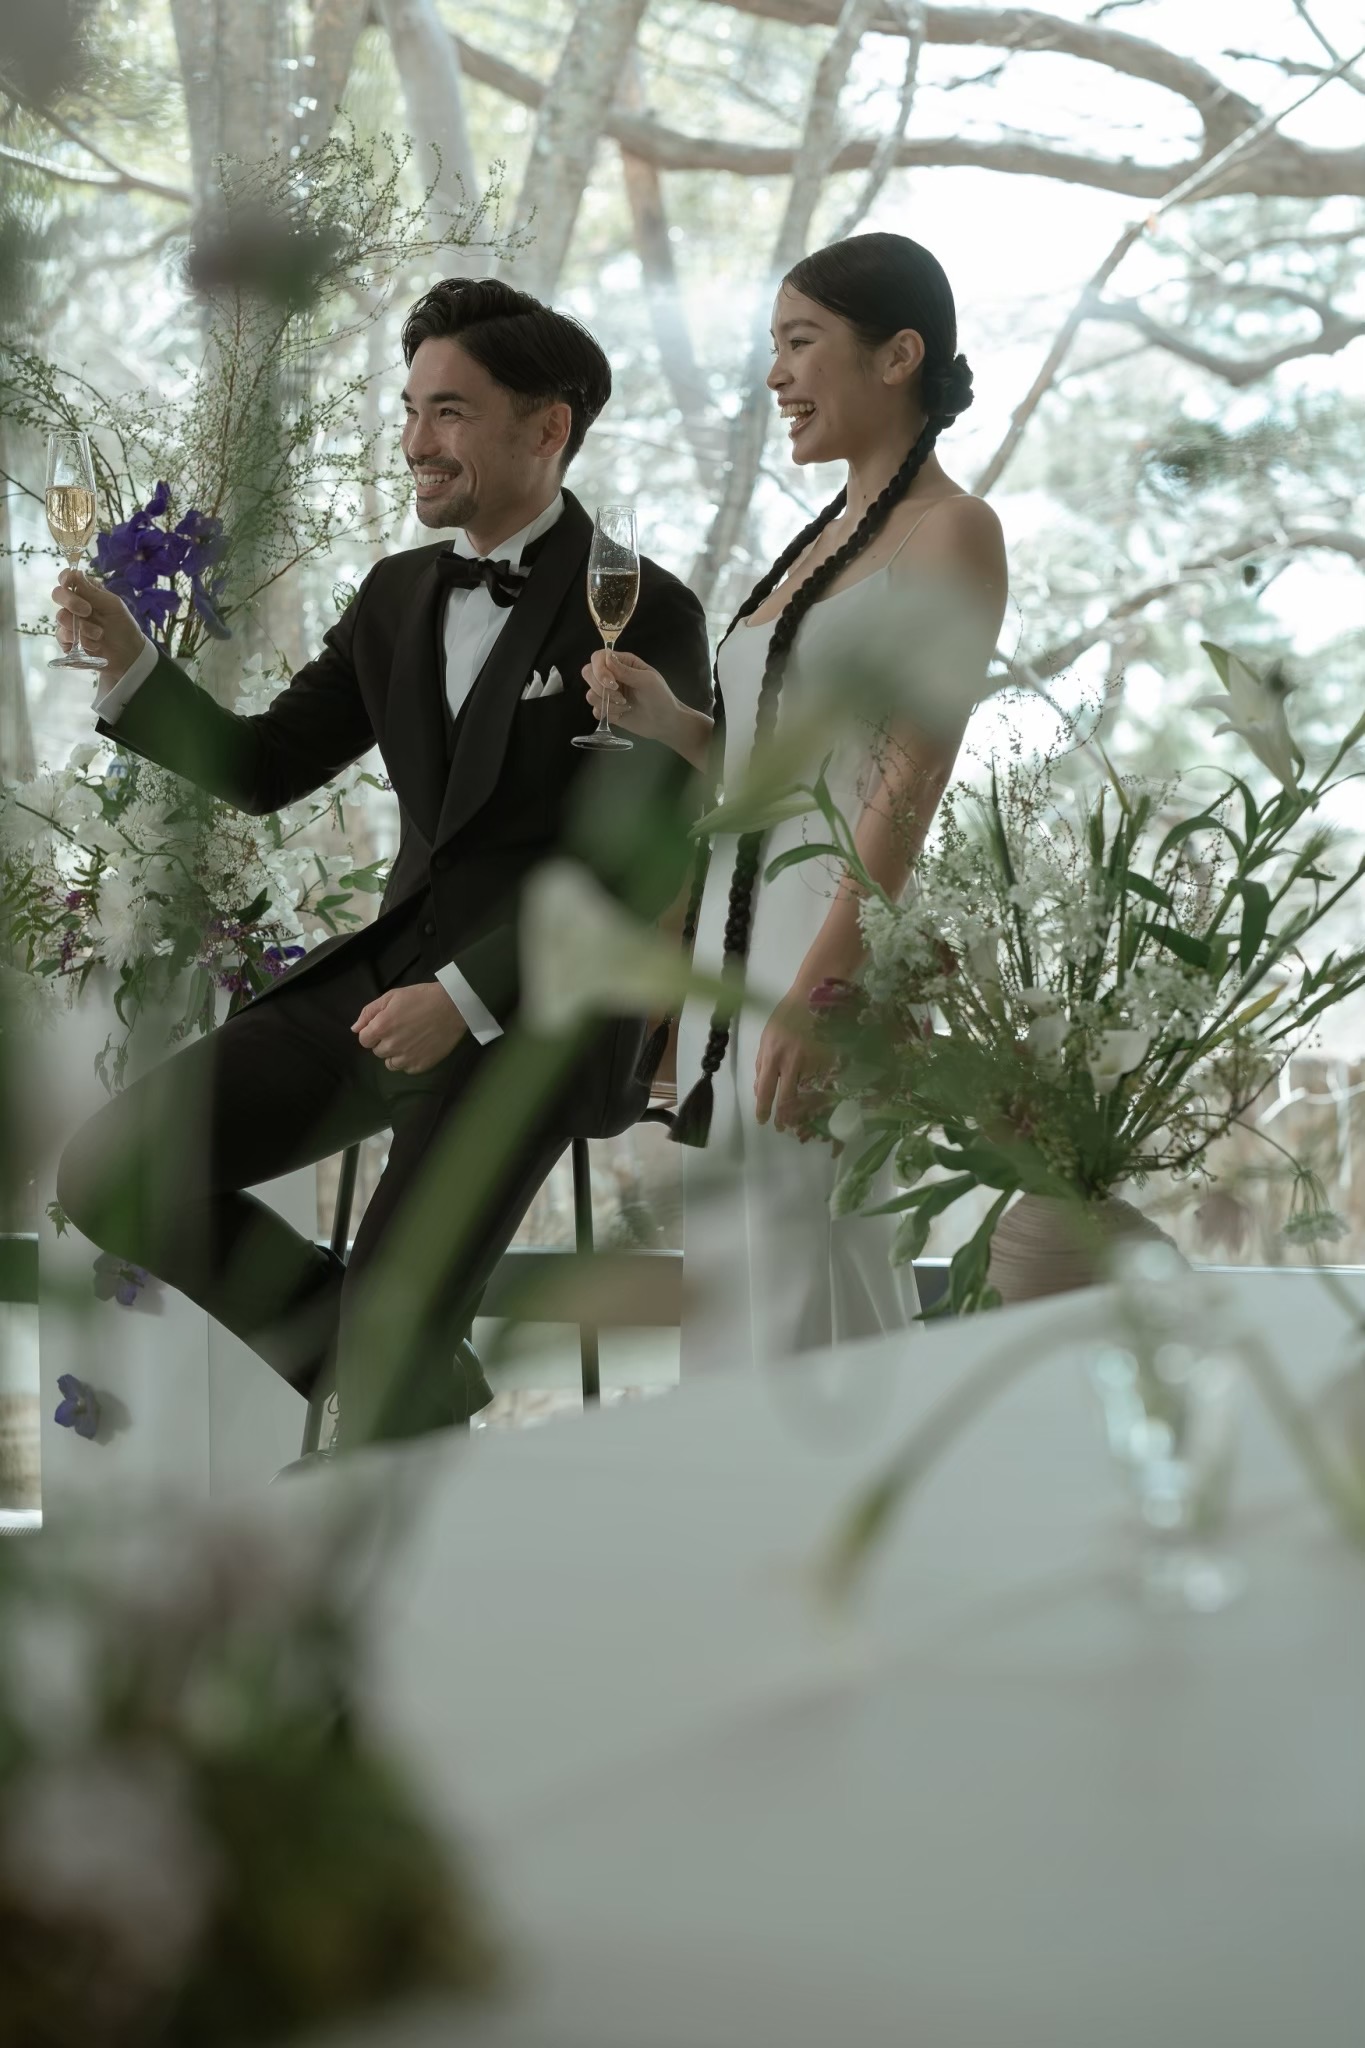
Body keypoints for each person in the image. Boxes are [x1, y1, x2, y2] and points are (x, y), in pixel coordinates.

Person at [53, 276, 712, 1444]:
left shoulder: (643, 606)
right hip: (377, 986)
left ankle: (377, 1399)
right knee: (112, 1171)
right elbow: (265, 765)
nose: (414, 442)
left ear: (548, 427)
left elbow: (632, 864)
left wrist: (463, 997)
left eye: (449, 411)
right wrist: (131, 667)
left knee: (373, 1394)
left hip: (535, 1016)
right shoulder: (399, 594)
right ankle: (392, 1373)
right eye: (410, 409)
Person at [580, 233, 1008, 1376]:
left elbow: (909, 780)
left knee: (816, 1283)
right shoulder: (820, 538)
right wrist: (678, 723)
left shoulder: (952, 532)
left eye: (802, 342)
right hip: (737, 958)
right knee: (739, 1295)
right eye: (774, 345)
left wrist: (825, 991)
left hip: (820, 955)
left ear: (898, 355)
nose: (776, 374)